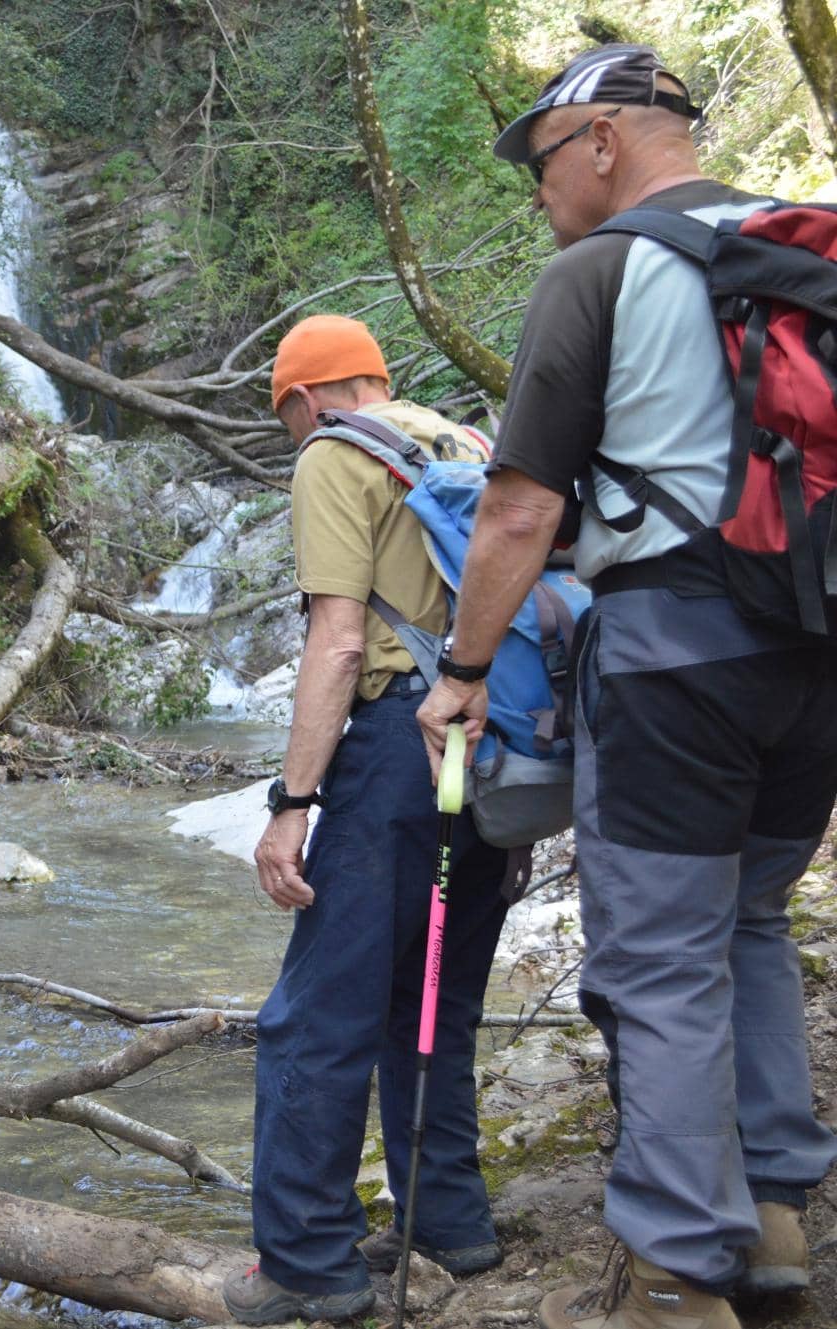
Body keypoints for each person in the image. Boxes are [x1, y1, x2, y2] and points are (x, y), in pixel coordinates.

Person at [416, 45, 834, 1329]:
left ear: (600, 140)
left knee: (657, 962)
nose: (538, 190)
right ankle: (773, 1223)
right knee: (747, 921)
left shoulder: (598, 271)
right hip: (814, 655)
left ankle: (674, 1279)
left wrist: (462, 672)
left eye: (541, 161)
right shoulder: (803, 255)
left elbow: (516, 510)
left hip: (671, 659)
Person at [227, 316, 509, 1325]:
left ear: (306, 400)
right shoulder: (466, 439)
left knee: (316, 1011)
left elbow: (340, 644)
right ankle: (449, 1220)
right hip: (496, 740)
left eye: (287, 420)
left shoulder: (334, 453)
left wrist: (292, 803)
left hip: (401, 744)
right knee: (434, 998)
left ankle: (308, 1262)